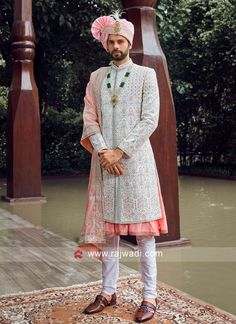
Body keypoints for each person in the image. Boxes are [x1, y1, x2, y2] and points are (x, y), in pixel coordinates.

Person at [78, 11, 168, 323]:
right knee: (109, 234)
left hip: (136, 162)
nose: (116, 45)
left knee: (144, 234)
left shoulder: (146, 75)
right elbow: (89, 117)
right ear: (105, 45)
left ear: (128, 42)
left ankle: (149, 296)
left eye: (120, 40)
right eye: (111, 41)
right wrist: (104, 152)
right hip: (104, 164)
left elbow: (150, 119)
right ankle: (108, 291)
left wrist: (120, 152)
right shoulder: (96, 77)